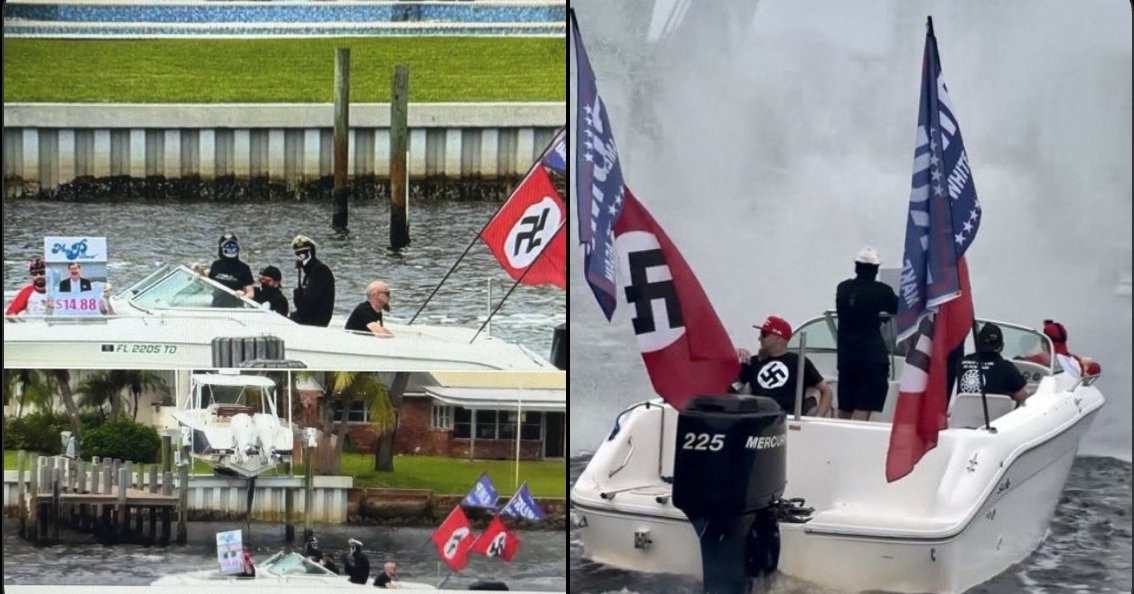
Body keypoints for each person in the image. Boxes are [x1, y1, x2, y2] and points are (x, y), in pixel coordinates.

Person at [835, 246, 899, 421]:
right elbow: (898, 307)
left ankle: (842, 443)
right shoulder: (882, 291)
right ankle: (854, 445)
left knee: (845, 407)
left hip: (846, 359)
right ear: (876, 269)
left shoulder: (843, 289)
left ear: (857, 266)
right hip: (871, 360)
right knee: (863, 407)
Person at [733, 316, 833, 417]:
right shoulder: (753, 362)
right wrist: (733, 355)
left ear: (777, 337)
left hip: (786, 421)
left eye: (764, 334)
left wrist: (816, 420)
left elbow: (826, 390)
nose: (759, 338)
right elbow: (728, 386)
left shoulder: (798, 362)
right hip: (757, 419)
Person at [959, 323, 1029, 406]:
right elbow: (1023, 397)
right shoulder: (1007, 368)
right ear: (1002, 346)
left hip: (962, 417)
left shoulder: (960, 364)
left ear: (977, 343)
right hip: (998, 418)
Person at [1020, 319, 1102, 378]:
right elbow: (1093, 368)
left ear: (1045, 341)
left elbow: (1021, 363)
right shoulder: (1074, 359)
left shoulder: (1042, 358)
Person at [289, 235, 336, 327]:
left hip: (315, 321)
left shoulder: (320, 270)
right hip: (307, 317)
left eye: (302, 253)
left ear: (310, 252)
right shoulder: (309, 272)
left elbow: (306, 303)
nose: (300, 257)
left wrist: (297, 294)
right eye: (297, 253)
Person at [204, 233, 254, 305]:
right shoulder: (216, 265)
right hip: (216, 305)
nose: (231, 249)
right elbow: (208, 284)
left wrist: (243, 295)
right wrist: (200, 271)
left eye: (233, 246)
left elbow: (251, 293)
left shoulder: (244, 268)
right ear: (221, 248)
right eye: (227, 246)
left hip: (235, 308)